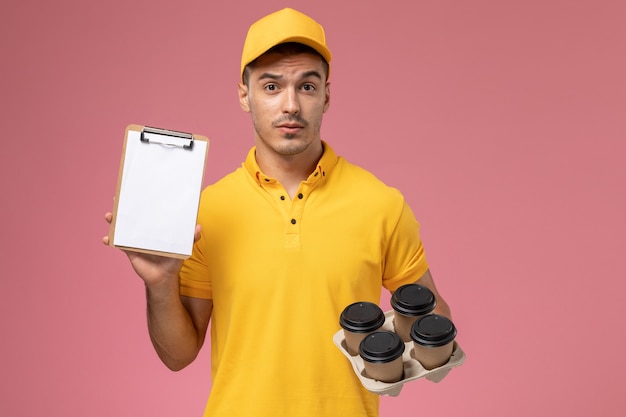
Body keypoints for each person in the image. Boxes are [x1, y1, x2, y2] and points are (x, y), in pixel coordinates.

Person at [103, 7, 451, 417]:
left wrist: (386, 345)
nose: (290, 105)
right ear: (243, 95)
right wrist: (160, 285)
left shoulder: (382, 204)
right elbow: (178, 355)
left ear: (326, 95)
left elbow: (435, 322)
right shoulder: (207, 211)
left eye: (306, 86)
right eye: (271, 86)